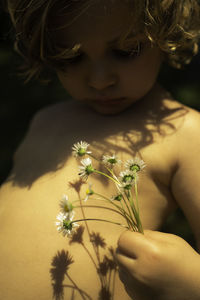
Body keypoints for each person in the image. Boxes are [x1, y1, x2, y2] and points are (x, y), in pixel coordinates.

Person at [1, 0, 200, 299]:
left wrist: (190, 282)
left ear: (165, 36)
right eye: (71, 57)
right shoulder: (45, 121)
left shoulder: (185, 131)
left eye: (126, 51)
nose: (99, 81)